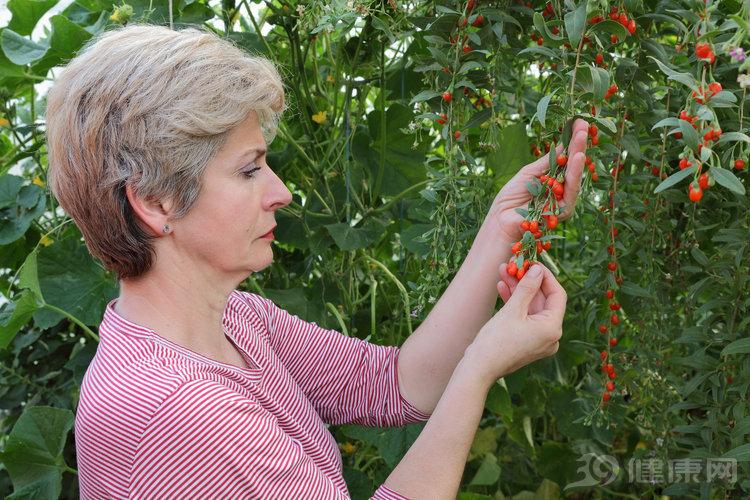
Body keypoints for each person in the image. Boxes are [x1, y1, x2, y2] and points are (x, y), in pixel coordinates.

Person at [45, 22, 587, 499]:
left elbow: (394, 383)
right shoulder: (177, 409)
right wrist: (479, 370)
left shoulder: (234, 320)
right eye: (249, 169)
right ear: (156, 201)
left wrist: (502, 227)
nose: (280, 191)